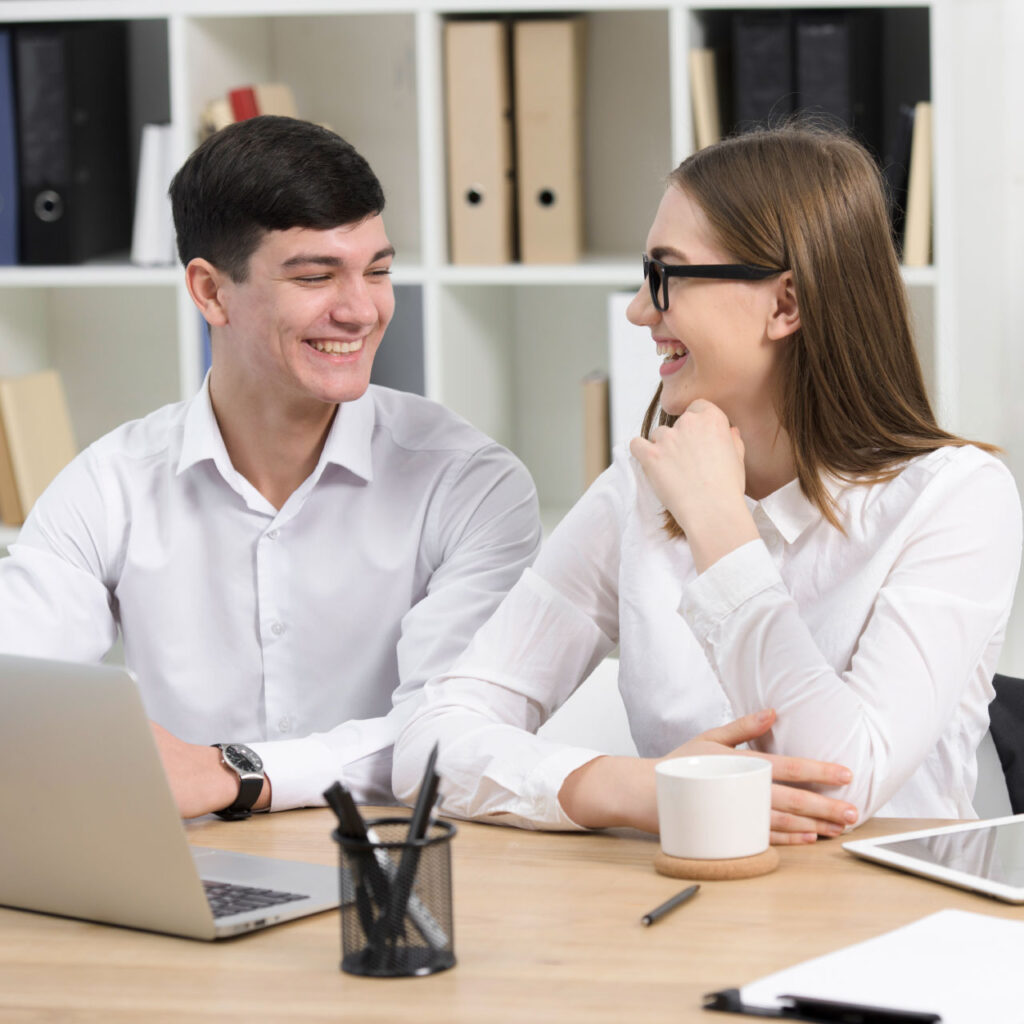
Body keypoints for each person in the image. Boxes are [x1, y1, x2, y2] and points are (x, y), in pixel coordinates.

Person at [393, 124, 1023, 843]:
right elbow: (431, 741)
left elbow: (840, 783)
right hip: (693, 915)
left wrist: (721, 528)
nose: (638, 309)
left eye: (666, 274)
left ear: (786, 304)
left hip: (895, 928)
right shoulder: (637, 494)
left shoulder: (958, 499)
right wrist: (631, 787)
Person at [0, 115, 544, 819]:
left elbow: (452, 733)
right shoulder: (110, 486)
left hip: (401, 871)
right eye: (316, 276)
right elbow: (14, 693)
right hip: (191, 873)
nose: (361, 311)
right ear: (209, 292)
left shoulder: (471, 486)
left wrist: (233, 774)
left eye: (377, 271)